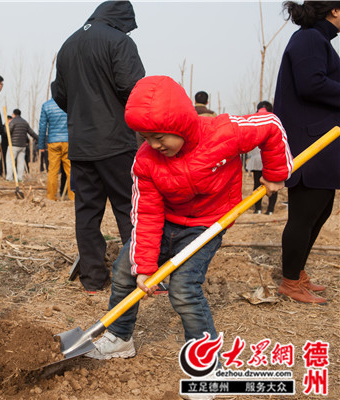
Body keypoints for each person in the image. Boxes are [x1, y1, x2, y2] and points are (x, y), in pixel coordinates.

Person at [86, 75, 291, 363]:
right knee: (124, 272)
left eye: (160, 137)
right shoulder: (146, 162)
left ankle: (205, 361)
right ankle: (120, 337)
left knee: (183, 289)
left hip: (205, 226)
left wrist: (275, 173)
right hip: (166, 222)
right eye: (146, 138)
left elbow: (269, 126)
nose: (154, 145)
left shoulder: (223, 132)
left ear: (180, 123)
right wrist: (144, 266)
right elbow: (146, 213)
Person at [53, 1, 145, 293]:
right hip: (116, 142)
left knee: (87, 213)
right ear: (122, 19)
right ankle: (136, 274)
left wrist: (83, 115)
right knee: (128, 209)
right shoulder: (119, 42)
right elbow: (134, 89)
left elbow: (60, 94)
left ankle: (93, 279)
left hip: (80, 144)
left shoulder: (67, 45)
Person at [274, 1, 340, 305]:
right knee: (304, 212)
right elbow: (311, 84)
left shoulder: (317, 39)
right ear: (335, 11)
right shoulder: (311, 37)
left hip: (320, 140)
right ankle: (289, 281)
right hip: (309, 143)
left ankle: (297, 272)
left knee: (321, 209)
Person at [38, 85, 73, 200]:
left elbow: (42, 127)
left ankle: (51, 197)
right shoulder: (69, 104)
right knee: (70, 171)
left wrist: (41, 145)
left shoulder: (46, 106)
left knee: (52, 171)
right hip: (68, 141)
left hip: (53, 142)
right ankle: (73, 197)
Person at [246, 101, 278, 215]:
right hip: (271, 160)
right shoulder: (274, 121)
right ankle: (270, 210)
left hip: (256, 159)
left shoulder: (253, 121)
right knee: (272, 185)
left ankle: (257, 208)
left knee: (257, 184)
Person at [7, 109, 38, 183]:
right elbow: (31, 132)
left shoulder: (13, 122)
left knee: (10, 161)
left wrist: (6, 127)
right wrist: (39, 138)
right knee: (21, 162)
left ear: (14, 114)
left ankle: (9, 178)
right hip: (22, 146)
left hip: (13, 145)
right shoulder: (25, 122)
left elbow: (7, 131)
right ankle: (20, 178)